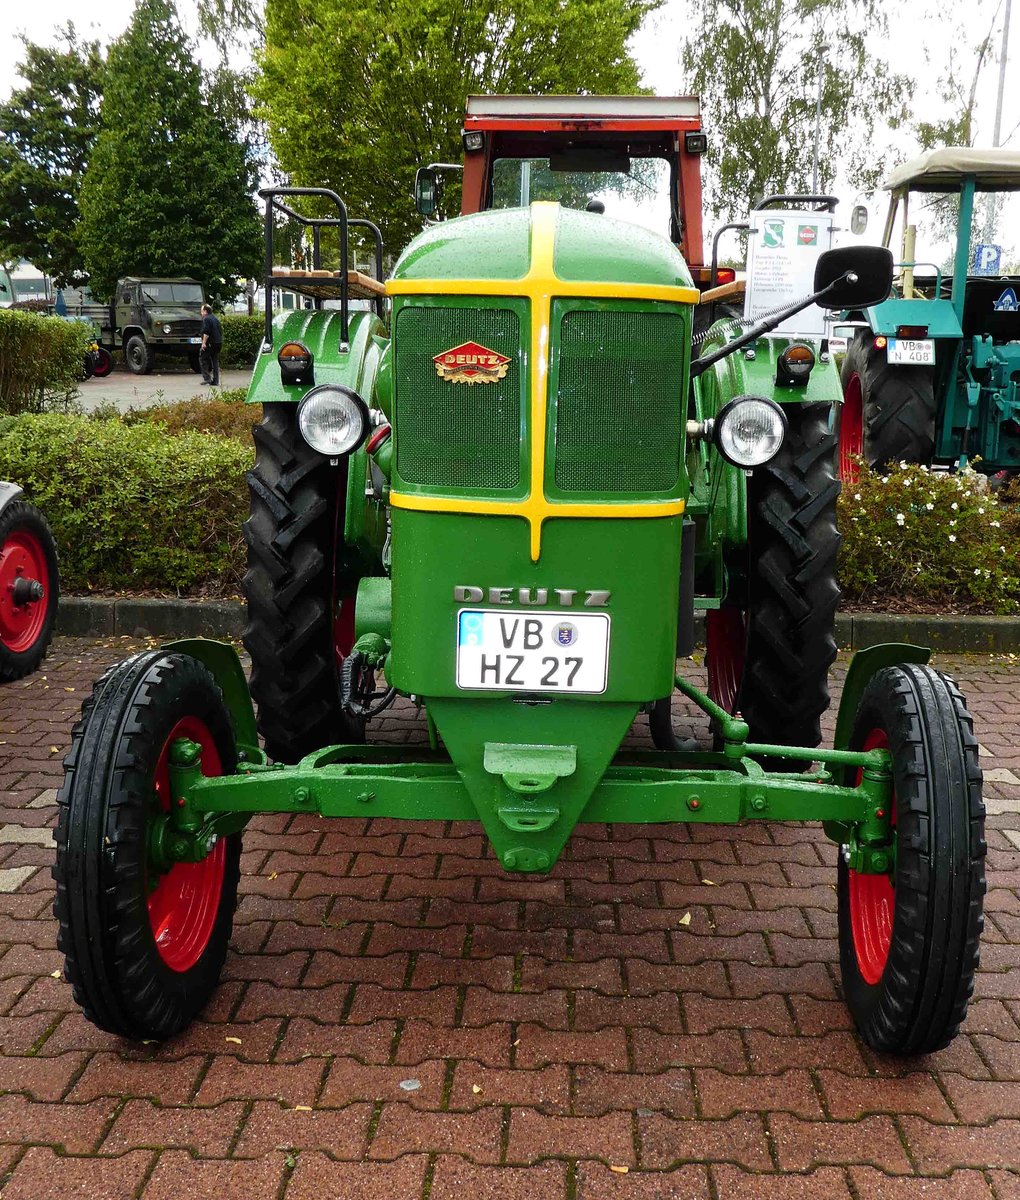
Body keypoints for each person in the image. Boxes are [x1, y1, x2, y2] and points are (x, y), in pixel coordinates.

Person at [199, 303, 222, 385]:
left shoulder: (206, 319)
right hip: (218, 343)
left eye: (201, 311)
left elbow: (206, 332)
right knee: (215, 361)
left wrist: (204, 343)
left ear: (205, 311)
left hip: (210, 343)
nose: (201, 313)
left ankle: (207, 378)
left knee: (203, 359)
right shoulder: (215, 319)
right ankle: (216, 380)